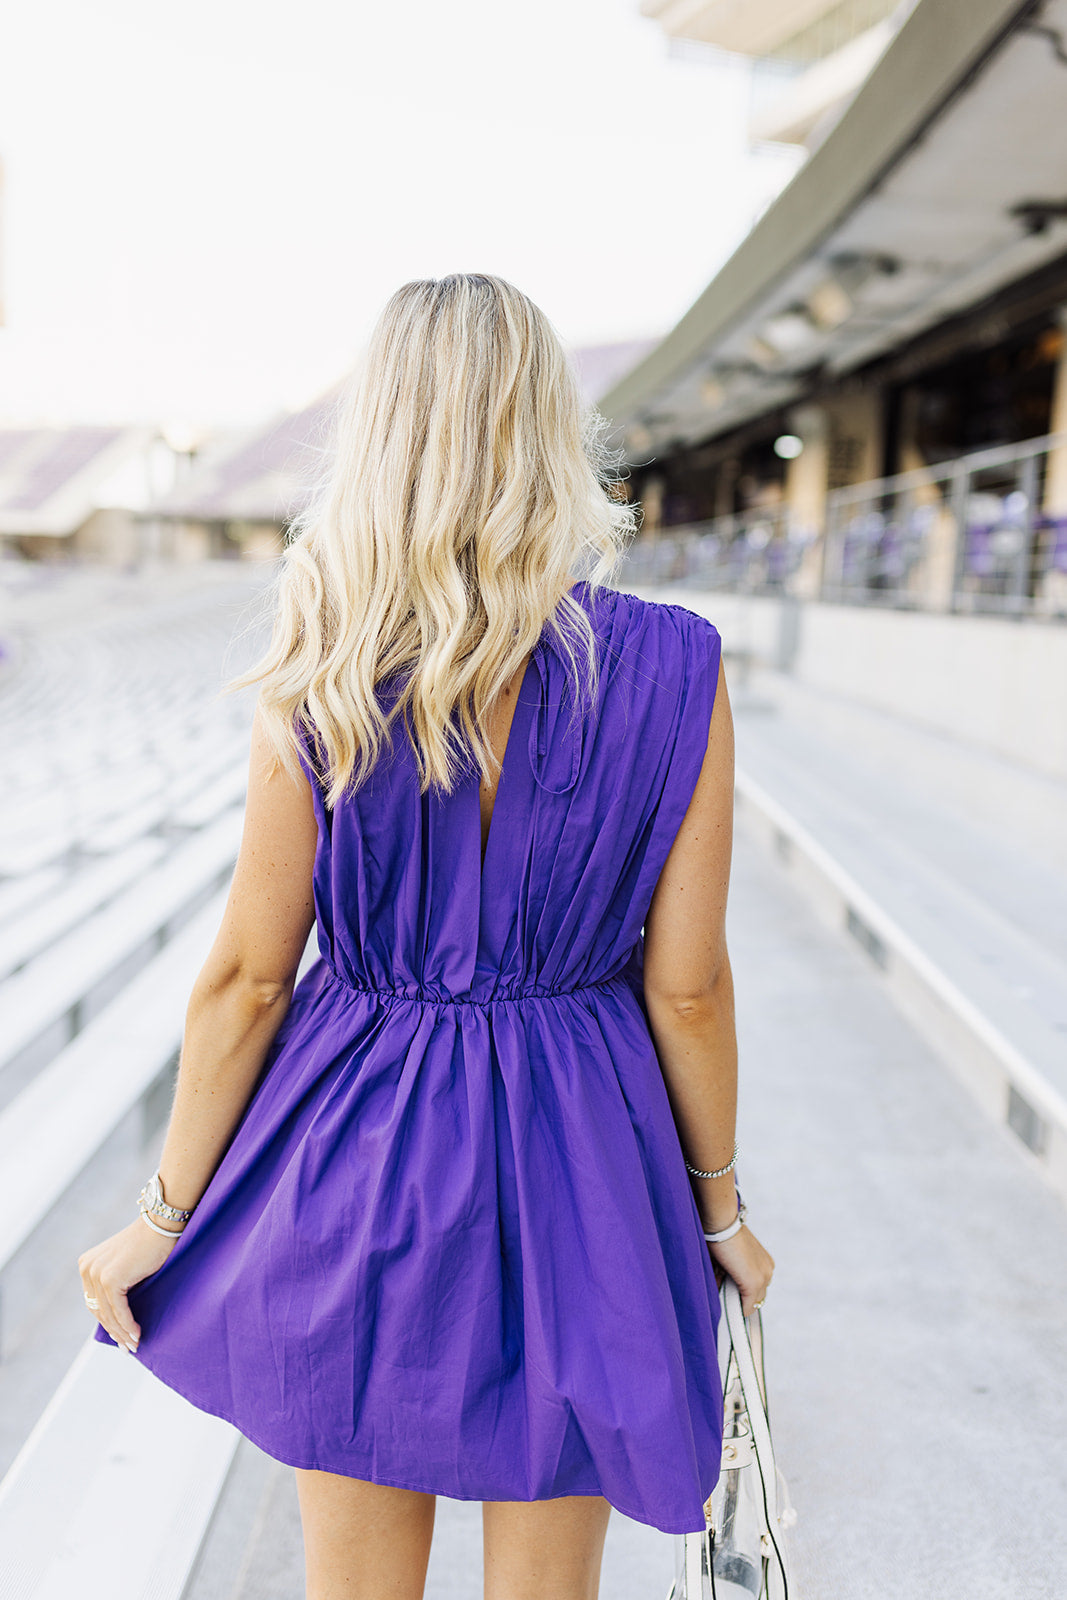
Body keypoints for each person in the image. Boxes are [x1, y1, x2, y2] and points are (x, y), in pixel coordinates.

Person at [78, 273, 774, 1600]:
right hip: (590, 1155)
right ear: (551, 431)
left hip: (358, 1147)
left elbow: (249, 976)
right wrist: (719, 1213)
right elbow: (688, 990)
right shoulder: (678, 663)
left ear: (382, 434)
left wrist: (163, 1216)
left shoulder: (328, 655)